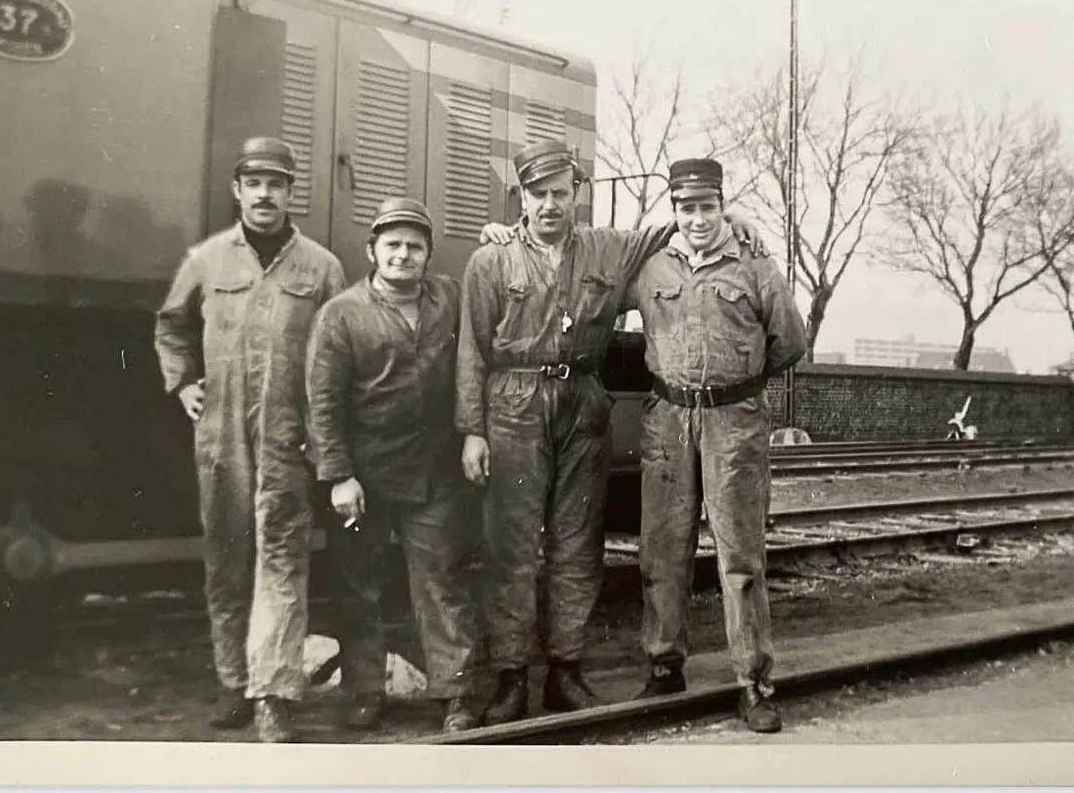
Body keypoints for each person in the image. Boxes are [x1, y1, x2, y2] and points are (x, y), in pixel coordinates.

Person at [457, 139, 766, 725]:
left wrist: (735, 215)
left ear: (577, 194)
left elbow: (674, 225)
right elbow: (472, 350)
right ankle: (510, 677)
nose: (549, 205)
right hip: (514, 404)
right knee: (512, 547)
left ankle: (565, 672)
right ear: (520, 197)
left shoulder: (607, 249)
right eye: (536, 194)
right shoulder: (491, 261)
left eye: (559, 193)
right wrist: (472, 429)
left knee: (578, 543)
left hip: (581, 402)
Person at [154, 136, 347, 744]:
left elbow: (336, 352)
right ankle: (234, 682)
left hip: (290, 436)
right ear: (238, 190)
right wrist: (182, 381)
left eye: (277, 183)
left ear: (292, 193)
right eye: (254, 182)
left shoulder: (321, 267)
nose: (265, 194)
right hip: (222, 435)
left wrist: (325, 432)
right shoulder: (207, 260)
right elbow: (171, 325)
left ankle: (273, 694)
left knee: (283, 563)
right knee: (227, 562)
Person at [627, 158, 806, 733]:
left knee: (740, 559)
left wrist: (735, 386)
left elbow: (788, 342)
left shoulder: (755, 264)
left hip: (734, 420)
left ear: (723, 205)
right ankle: (663, 665)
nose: (698, 218)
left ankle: (753, 682)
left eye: (708, 206)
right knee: (661, 549)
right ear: (673, 210)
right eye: (686, 208)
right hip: (667, 420)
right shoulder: (650, 265)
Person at [305, 196, 480, 735]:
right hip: (363, 476)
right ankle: (365, 690)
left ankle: (456, 692)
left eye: (415, 246)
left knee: (442, 582)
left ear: (429, 255)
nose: (403, 255)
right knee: (359, 586)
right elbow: (322, 401)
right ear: (372, 251)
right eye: (393, 245)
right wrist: (337, 475)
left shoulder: (450, 299)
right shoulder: (342, 313)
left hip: (433, 472)